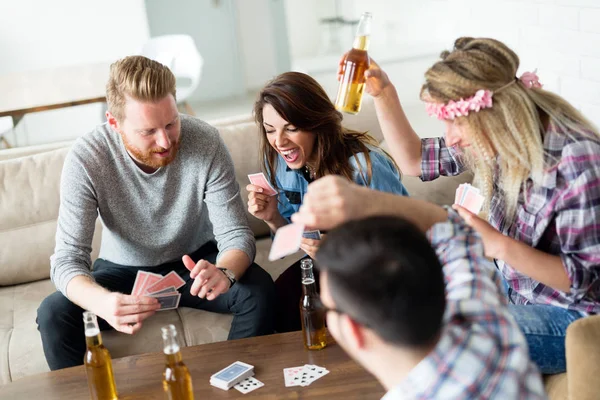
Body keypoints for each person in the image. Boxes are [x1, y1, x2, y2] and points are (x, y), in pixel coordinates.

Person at [327, 37, 600, 374]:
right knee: (409, 300)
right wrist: (384, 93)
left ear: (494, 111)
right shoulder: (497, 136)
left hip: (577, 319)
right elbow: (414, 159)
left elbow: (583, 282)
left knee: (439, 333)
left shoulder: (578, 162)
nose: (451, 137)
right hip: (517, 289)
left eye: (455, 122)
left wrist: (497, 244)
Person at [37, 56, 276, 370]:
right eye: (148, 131)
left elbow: (236, 235)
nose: (166, 141)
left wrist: (226, 271)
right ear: (114, 123)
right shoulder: (86, 158)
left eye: (171, 123)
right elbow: (68, 258)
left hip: (197, 260)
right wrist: (104, 303)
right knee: (53, 314)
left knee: (260, 293)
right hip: (122, 268)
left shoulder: (206, 141)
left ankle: (231, 384)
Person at [305, 186, 546, 399]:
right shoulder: (488, 329)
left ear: (352, 330)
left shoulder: (484, 321)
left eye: (328, 306)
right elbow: (457, 230)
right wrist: (365, 198)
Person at [247, 71, 408, 333]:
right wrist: (273, 217)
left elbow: (405, 238)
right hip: (328, 265)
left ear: (315, 123)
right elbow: (291, 239)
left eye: (291, 128)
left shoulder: (366, 167)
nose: (279, 141)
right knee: (280, 301)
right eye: (270, 130)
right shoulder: (277, 163)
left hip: (377, 270)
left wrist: (343, 250)